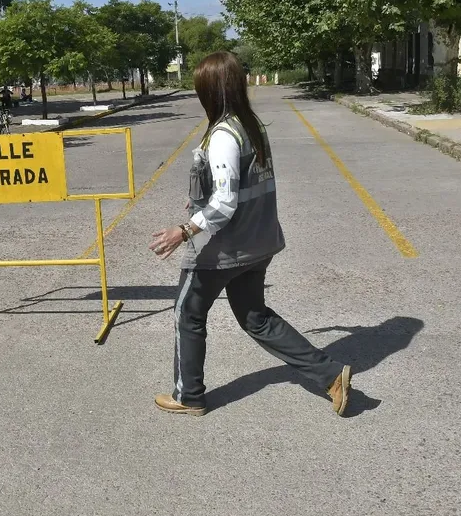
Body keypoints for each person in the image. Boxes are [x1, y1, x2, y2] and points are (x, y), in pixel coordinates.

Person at [148, 51, 351, 417]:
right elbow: (234, 189)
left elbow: (225, 205)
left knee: (188, 314)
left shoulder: (225, 135)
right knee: (254, 317)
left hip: (226, 248)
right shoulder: (249, 124)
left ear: (210, 90)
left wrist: (184, 230)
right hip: (259, 242)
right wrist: (202, 201)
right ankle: (331, 374)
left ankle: (188, 395)